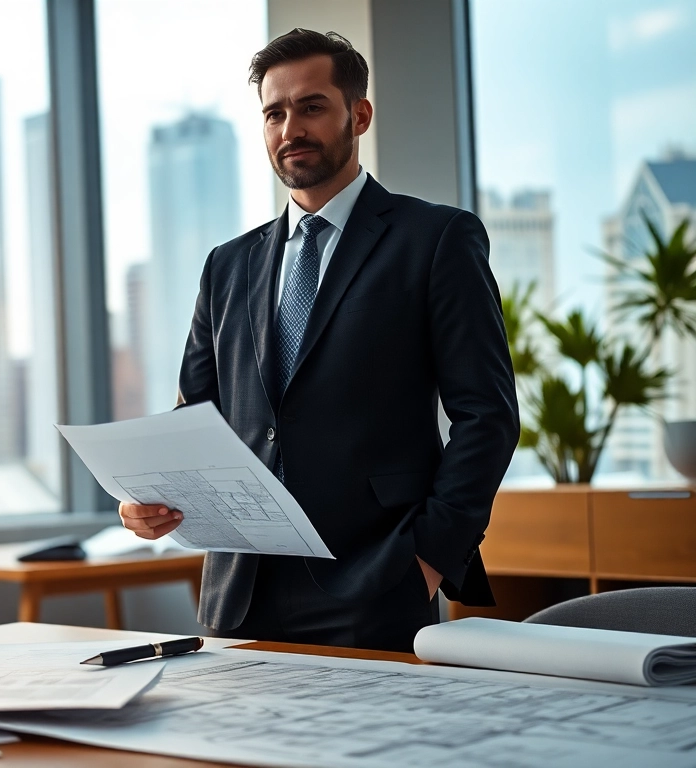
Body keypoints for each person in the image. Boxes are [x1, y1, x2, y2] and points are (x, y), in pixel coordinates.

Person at [118, 29, 518, 652]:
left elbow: (487, 415)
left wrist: (429, 560)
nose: (290, 129)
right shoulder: (227, 265)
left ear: (358, 114)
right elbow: (194, 421)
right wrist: (149, 498)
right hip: (238, 587)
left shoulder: (436, 239)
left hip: (378, 580)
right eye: (274, 113)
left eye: (311, 107)